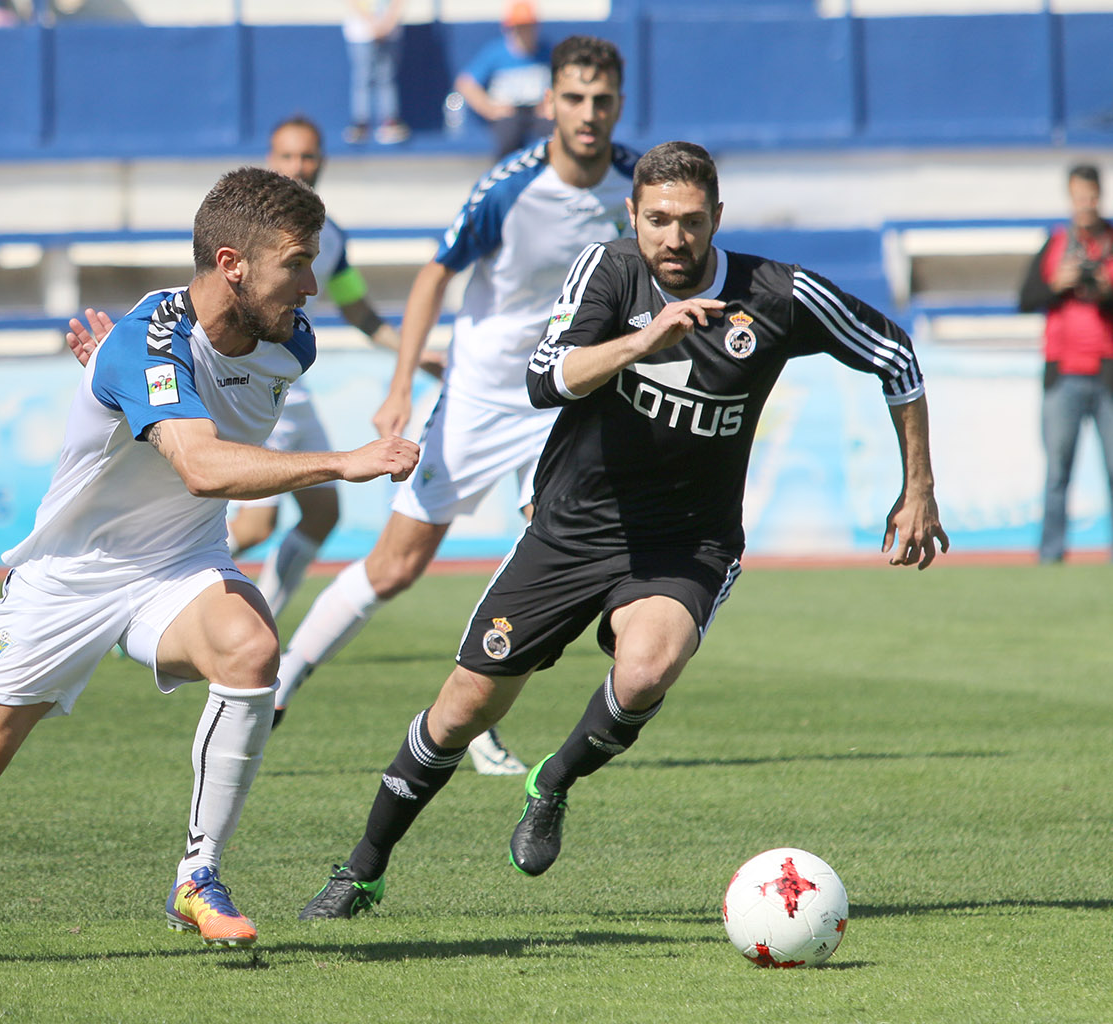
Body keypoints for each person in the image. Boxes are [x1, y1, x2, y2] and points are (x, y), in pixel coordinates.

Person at [0, 166, 420, 967]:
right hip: (69, 579)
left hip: (179, 564)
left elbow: (196, 419)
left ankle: (198, 876)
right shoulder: (145, 343)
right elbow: (200, 466)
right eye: (297, 264)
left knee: (250, 647)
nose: (311, 287)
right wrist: (342, 461)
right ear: (233, 264)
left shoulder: (289, 342)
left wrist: (119, 387)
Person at [297, 141, 950, 921]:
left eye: (692, 221)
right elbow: (545, 380)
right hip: (571, 528)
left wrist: (918, 487)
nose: (675, 237)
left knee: (645, 672)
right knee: (463, 710)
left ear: (718, 219)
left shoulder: (776, 293)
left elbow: (893, 353)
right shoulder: (608, 272)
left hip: (687, 543)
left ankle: (553, 782)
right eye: (659, 219)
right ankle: (362, 869)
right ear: (632, 215)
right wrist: (643, 341)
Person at [273, 35, 638, 777]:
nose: (588, 113)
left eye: (601, 100)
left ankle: (473, 715)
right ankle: (279, 682)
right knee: (396, 566)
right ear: (551, 102)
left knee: (546, 558)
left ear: (618, 105)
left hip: (562, 400)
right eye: (574, 98)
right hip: (480, 394)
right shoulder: (509, 187)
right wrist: (401, 383)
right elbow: (433, 275)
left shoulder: (636, 184)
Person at [221, 115, 428, 620]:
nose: (298, 165)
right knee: (254, 527)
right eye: (288, 155)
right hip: (255, 385)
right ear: (270, 160)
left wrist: (414, 354)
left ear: (322, 161)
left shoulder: (329, 236)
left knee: (322, 514)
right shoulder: (246, 232)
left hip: (293, 389)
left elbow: (357, 309)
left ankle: (263, 619)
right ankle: (158, 588)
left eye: (308, 155)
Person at [1017, 163, 1113, 564]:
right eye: (1079, 197)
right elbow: (1025, 299)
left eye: (1091, 196)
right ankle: (1051, 553)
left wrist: (1105, 290)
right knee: (1057, 471)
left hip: (1107, 374)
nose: (1085, 204)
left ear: (1100, 196)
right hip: (1063, 375)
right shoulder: (1055, 243)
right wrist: (1057, 283)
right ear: (1070, 198)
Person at [454, 1, 553, 160]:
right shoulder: (495, 53)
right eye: (519, 27)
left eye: (527, 27)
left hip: (537, 112)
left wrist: (551, 104)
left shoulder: (546, 52)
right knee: (508, 138)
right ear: (509, 29)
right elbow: (465, 83)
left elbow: (562, 81)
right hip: (509, 112)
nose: (523, 32)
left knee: (555, 136)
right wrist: (488, 108)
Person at [341, 0, 409, 145]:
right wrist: (372, 23)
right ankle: (361, 123)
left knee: (386, 78)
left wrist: (387, 23)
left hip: (390, 32)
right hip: (361, 33)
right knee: (362, 78)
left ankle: (389, 121)